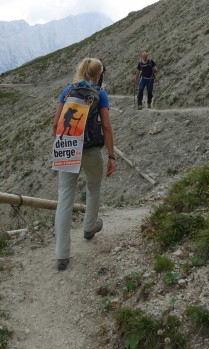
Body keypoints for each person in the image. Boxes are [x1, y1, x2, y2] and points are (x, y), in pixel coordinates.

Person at [52, 58, 116, 271]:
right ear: (98, 74)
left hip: (68, 147)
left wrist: (63, 145)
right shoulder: (101, 94)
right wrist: (112, 155)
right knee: (93, 188)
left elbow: (56, 124)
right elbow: (106, 126)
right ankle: (89, 228)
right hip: (91, 150)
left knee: (65, 196)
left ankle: (61, 255)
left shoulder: (67, 91)